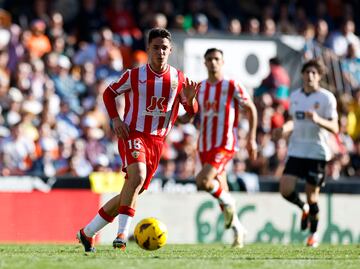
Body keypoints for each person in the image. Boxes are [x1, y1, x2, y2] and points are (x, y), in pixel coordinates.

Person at [77, 28, 199, 252]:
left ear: (170, 50)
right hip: (133, 134)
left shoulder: (179, 80)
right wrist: (115, 119)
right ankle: (122, 236)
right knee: (138, 176)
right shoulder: (134, 76)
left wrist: (191, 102)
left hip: (157, 141)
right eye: (155, 48)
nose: (160, 52)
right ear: (148, 49)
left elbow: (188, 117)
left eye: (164, 48)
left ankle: (87, 232)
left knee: (132, 190)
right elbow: (108, 93)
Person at [179, 48, 258, 248]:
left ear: (222, 62)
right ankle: (239, 229)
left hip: (225, 144)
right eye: (209, 59)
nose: (213, 62)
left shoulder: (231, 85)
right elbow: (190, 116)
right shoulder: (200, 87)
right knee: (222, 191)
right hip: (204, 145)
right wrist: (172, 118)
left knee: (202, 182)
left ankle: (231, 205)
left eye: (217, 59)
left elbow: (251, 109)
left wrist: (251, 138)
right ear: (204, 63)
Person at [273, 59, 339, 247]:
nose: (310, 76)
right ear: (302, 75)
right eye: (307, 72)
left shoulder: (327, 98)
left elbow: (335, 127)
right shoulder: (295, 96)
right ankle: (303, 208)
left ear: (319, 76)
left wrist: (318, 120)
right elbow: (294, 121)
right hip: (297, 150)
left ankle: (313, 234)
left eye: (314, 73)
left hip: (317, 152)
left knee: (313, 196)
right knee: (285, 190)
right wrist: (284, 128)